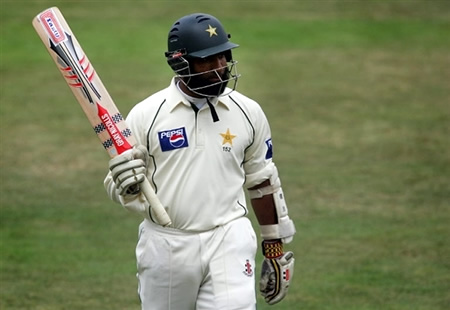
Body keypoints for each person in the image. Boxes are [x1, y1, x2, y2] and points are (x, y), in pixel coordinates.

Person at [104, 12, 296, 310]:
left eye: (223, 56)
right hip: (166, 245)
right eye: (208, 60)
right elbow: (118, 184)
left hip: (228, 239)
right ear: (181, 62)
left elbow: (262, 180)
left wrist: (274, 246)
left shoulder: (248, 111)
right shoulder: (146, 115)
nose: (220, 68)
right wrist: (124, 187)